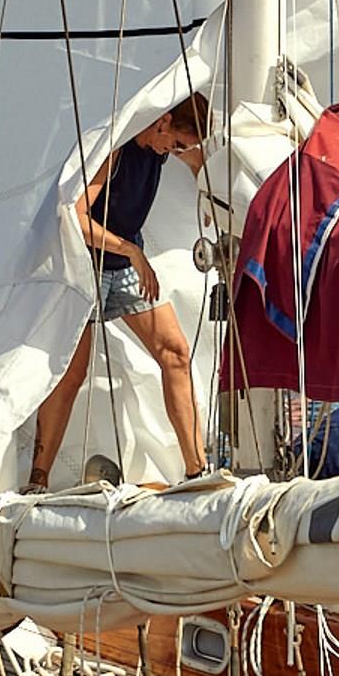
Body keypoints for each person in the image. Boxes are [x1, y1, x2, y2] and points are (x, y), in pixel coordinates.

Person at [23, 93, 211, 492]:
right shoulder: (117, 150)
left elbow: (200, 163)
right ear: (162, 123)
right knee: (71, 374)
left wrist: (211, 199)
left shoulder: (161, 147)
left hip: (123, 266)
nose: (175, 153)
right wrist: (131, 251)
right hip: (85, 266)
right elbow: (75, 217)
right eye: (176, 143)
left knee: (175, 353)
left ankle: (199, 473)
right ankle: (38, 480)